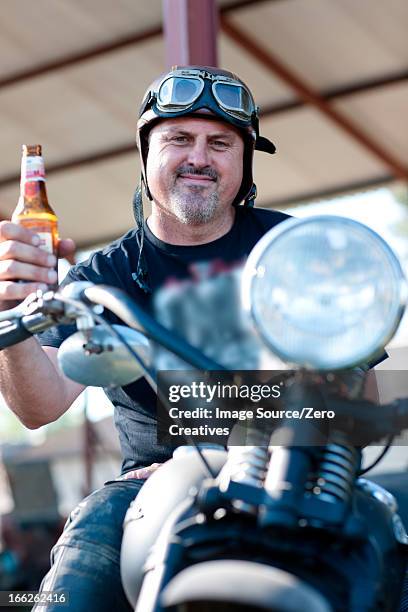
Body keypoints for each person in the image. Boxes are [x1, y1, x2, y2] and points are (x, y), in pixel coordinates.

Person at [0, 66, 291, 610]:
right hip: (147, 487)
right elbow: (38, 408)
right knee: (78, 579)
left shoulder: (293, 247)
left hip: (293, 467)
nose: (199, 157)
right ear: (146, 155)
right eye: (179, 138)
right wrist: (14, 312)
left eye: (220, 143)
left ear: (244, 160)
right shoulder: (99, 278)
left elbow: (365, 397)